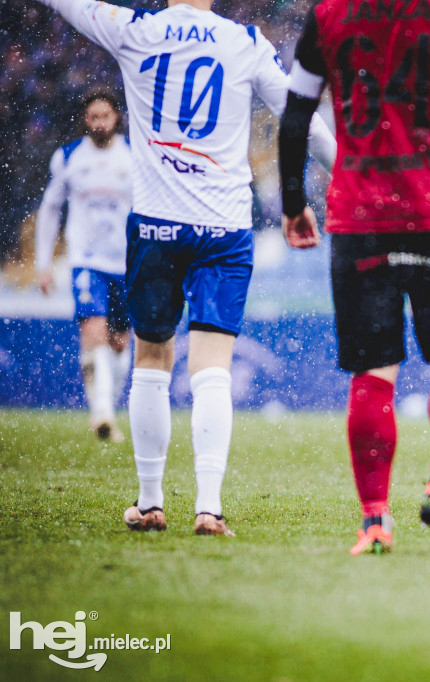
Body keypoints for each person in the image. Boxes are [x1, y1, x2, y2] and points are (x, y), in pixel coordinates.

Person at [34, 0, 336, 536]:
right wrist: (354, 176)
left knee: (151, 357)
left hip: (156, 227)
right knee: (212, 364)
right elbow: (301, 118)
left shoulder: (135, 31)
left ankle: (150, 502)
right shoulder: (243, 42)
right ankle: (209, 507)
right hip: (224, 229)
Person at [278, 0, 430, 555]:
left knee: (373, 370)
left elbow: (296, 115)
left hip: (360, 217)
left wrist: (293, 199)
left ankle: (374, 522)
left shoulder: (328, 14)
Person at [35, 88, 132, 442]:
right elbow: (50, 208)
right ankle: (102, 413)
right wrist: (43, 262)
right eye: (93, 117)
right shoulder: (69, 157)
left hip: (126, 262)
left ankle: (109, 406)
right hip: (86, 261)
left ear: (116, 117)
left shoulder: (134, 156)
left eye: (105, 116)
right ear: (85, 120)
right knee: (93, 330)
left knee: (120, 341)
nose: (100, 123)